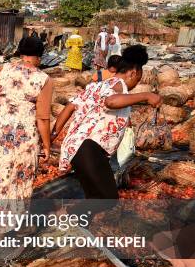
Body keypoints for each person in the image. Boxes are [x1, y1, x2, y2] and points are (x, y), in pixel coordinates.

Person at [53, 45, 162, 199]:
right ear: (133, 72)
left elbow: (69, 108)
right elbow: (111, 102)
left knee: (94, 198)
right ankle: (65, 217)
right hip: (88, 148)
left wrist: (52, 136)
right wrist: (146, 95)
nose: (137, 83)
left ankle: (75, 221)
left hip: (75, 148)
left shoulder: (97, 86)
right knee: (108, 199)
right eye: (138, 79)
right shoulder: (118, 86)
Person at [0, 36, 53, 235]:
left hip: (0, 129)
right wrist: (47, 145)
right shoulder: (43, 79)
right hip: (24, 134)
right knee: (18, 176)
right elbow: (43, 118)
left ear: (20, 53)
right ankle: (3, 228)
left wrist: (0, 110)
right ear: (39, 57)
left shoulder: (3, 69)